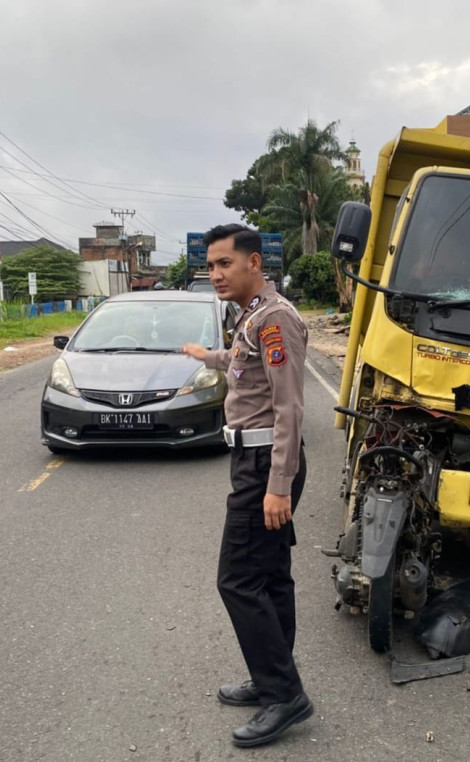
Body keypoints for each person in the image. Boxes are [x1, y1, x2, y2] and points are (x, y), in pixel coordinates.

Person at [180, 223, 311, 748]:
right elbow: (241, 365)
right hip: (256, 462)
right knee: (271, 576)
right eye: (210, 265)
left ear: (254, 263)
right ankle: (269, 678)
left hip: (266, 468)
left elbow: (289, 408)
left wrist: (278, 484)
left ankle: (285, 695)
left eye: (224, 264)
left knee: (236, 580)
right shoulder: (252, 317)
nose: (214, 274)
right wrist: (203, 355)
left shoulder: (275, 321)